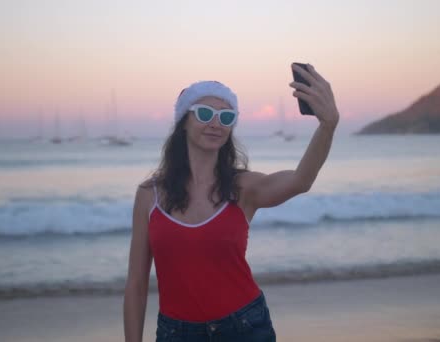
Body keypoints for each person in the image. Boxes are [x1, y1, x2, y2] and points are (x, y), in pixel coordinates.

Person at [124, 63, 340, 342]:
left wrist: (328, 125)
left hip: (245, 327)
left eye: (226, 117)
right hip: (176, 334)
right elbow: (137, 284)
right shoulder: (149, 195)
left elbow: (301, 180)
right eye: (204, 114)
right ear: (183, 122)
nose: (216, 123)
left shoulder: (243, 188)